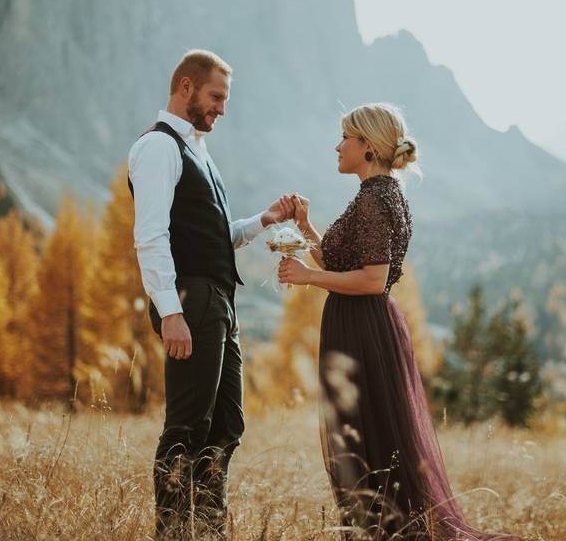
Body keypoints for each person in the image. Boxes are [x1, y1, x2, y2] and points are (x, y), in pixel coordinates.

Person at [278, 103, 521, 540]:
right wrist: (305, 226)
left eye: (345, 138)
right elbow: (342, 258)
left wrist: (309, 277)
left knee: (367, 446)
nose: (338, 146)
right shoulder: (381, 193)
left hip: (362, 329)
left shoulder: (375, 200)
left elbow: (372, 279)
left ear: (367, 146)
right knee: (371, 442)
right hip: (364, 326)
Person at [128, 49, 296, 538]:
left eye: (225, 98)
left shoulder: (196, 146)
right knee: (186, 428)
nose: (222, 107)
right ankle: (174, 532)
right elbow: (152, 236)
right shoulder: (159, 148)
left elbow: (212, 232)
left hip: (219, 302)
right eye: (215, 96)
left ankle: (209, 528)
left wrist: (261, 221)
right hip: (192, 301)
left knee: (226, 426)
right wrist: (171, 313)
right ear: (185, 87)